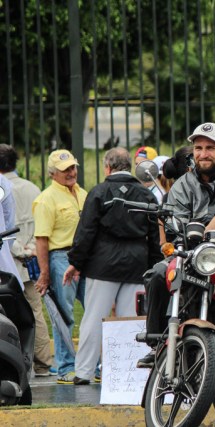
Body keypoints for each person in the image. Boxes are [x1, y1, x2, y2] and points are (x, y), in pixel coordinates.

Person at [140, 122, 215, 371]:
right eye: (198, 148)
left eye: (210, 148)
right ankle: (156, 342)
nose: (203, 153)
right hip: (189, 249)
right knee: (156, 273)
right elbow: (173, 213)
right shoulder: (183, 184)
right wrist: (177, 224)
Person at [63, 148, 163, 385]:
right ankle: (131, 371)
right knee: (132, 321)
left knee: (94, 318)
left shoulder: (99, 192)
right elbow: (154, 236)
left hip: (103, 265)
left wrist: (76, 263)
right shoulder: (146, 195)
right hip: (136, 265)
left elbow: (86, 232)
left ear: (107, 166)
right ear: (129, 166)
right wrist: (151, 268)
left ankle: (84, 372)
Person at [32, 150, 87, 384]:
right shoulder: (46, 199)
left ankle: (90, 365)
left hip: (84, 259)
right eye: (66, 170)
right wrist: (44, 274)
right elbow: (41, 240)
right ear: (53, 173)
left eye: (73, 168)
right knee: (64, 315)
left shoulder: (83, 193)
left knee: (94, 312)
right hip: (60, 258)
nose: (72, 173)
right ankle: (66, 367)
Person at [0, 145, 54, 377]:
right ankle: (40, 364)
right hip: (25, 259)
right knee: (32, 313)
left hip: (8, 254)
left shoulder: (6, 187)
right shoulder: (31, 188)